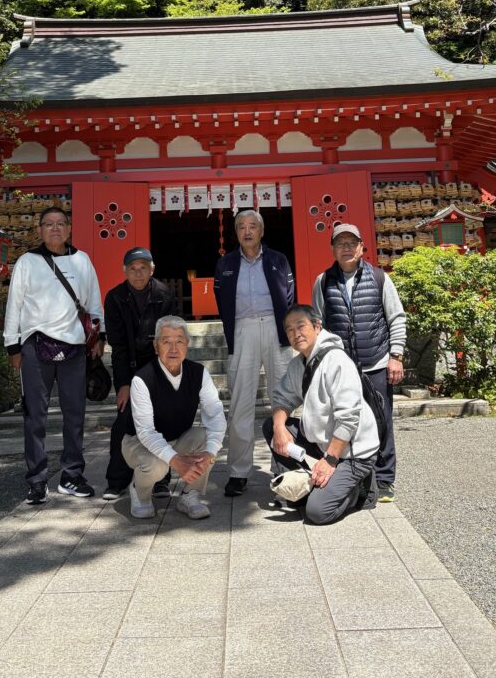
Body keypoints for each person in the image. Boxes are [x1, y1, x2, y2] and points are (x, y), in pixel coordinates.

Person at [3, 206, 104, 505]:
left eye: (61, 224)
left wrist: (100, 337)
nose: (55, 229)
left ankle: (72, 474)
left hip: (74, 346)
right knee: (35, 416)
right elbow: (14, 305)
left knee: (75, 414)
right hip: (35, 345)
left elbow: (94, 301)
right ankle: (36, 480)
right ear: (40, 230)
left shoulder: (82, 260)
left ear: (69, 228)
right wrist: (13, 346)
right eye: (49, 224)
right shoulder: (27, 262)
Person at [311, 222, 406, 502]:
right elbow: (318, 324)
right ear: (333, 249)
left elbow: (396, 317)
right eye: (341, 243)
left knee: (381, 420)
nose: (347, 248)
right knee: (342, 419)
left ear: (362, 247)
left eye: (352, 243)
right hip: (342, 368)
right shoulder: (323, 281)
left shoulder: (379, 278)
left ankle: (385, 479)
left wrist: (396, 355)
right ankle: (348, 474)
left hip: (375, 361)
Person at [264, 305, 379, 525]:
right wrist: (279, 428)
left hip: (352, 453)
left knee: (317, 512)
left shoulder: (337, 361)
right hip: (322, 444)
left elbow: (349, 418)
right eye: (289, 329)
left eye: (301, 326)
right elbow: (282, 399)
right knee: (272, 427)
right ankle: (308, 486)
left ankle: (359, 489)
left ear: (317, 326)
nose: (296, 334)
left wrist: (330, 460)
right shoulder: (299, 364)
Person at [213, 209, 294, 497]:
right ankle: (238, 471)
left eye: (252, 227)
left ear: (261, 231)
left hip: (274, 328)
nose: (247, 231)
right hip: (243, 329)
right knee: (240, 405)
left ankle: (285, 465)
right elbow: (221, 299)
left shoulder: (278, 260)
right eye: (241, 227)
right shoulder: (225, 263)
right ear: (236, 233)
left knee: (283, 399)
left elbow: (288, 295)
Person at [122, 316, 227, 520]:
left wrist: (210, 453)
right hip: (137, 442)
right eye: (166, 341)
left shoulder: (198, 373)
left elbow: (215, 415)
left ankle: (189, 495)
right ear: (155, 346)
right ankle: (139, 492)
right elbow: (145, 432)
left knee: (208, 441)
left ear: (187, 344)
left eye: (179, 341)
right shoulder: (142, 379)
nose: (173, 348)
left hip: (178, 437)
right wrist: (176, 461)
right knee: (158, 465)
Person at [102, 247, 175, 500]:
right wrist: (122, 384)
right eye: (132, 268)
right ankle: (117, 480)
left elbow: (170, 336)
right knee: (124, 422)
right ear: (125, 271)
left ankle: (161, 480)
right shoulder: (115, 298)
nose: (138, 272)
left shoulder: (164, 294)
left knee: (161, 421)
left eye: (143, 267)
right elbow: (118, 345)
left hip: (158, 366)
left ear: (152, 269)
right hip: (130, 365)